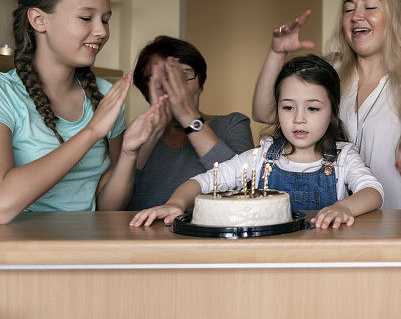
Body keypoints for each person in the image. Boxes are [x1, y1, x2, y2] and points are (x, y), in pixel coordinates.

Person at [252, 0, 401, 209]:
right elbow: (265, 112)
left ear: (395, 17)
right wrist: (277, 51)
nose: (356, 16)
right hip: (330, 226)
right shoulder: (329, 71)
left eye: (370, 6)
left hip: (396, 230)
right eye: (348, 9)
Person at [131, 55, 383, 229]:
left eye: (313, 109)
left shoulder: (343, 157)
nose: (298, 119)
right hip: (267, 260)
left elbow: (373, 192)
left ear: (333, 111)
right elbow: (201, 182)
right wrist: (175, 204)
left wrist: (345, 208)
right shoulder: (262, 156)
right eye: (288, 107)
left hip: (322, 259)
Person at [0, 0, 167, 223]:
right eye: (86, 18)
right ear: (39, 20)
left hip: (88, 246)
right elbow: (3, 204)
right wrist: (91, 132)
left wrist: (129, 153)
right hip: (22, 253)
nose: (101, 31)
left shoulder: (104, 93)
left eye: (106, 19)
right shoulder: (4, 93)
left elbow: (108, 208)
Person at [125, 36, 254, 210]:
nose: (174, 86)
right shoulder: (136, 136)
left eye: (184, 75)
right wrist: (151, 133)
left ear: (200, 82)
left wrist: (187, 115)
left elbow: (244, 188)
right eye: (162, 78)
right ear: (146, 90)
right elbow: (119, 201)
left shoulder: (232, 124)